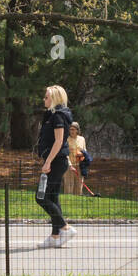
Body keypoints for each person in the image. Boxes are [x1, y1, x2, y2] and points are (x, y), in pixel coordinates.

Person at [35, 86, 75, 247]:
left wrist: (48, 162)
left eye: (46, 97)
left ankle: (65, 227)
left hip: (55, 162)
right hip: (57, 160)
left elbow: (59, 142)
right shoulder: (52, 115)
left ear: (55, 99)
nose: (44, 100)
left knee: (41, 197)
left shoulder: (58, 117)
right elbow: (62, 143)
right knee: (53, 197)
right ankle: (55, 236)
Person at [67, 122, 97, 197]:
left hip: (80, 166)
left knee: (79, 187)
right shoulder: (66, 140)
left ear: (77, 130)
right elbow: (65, 154)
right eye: (70, 129)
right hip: (69, 167)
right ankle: (67, 203)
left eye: (73, 129)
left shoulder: (82, 139)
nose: (71, 131)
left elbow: (85, 151)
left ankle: (77, 204)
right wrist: (70, 165)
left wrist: (83, 155)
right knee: (69, 187)